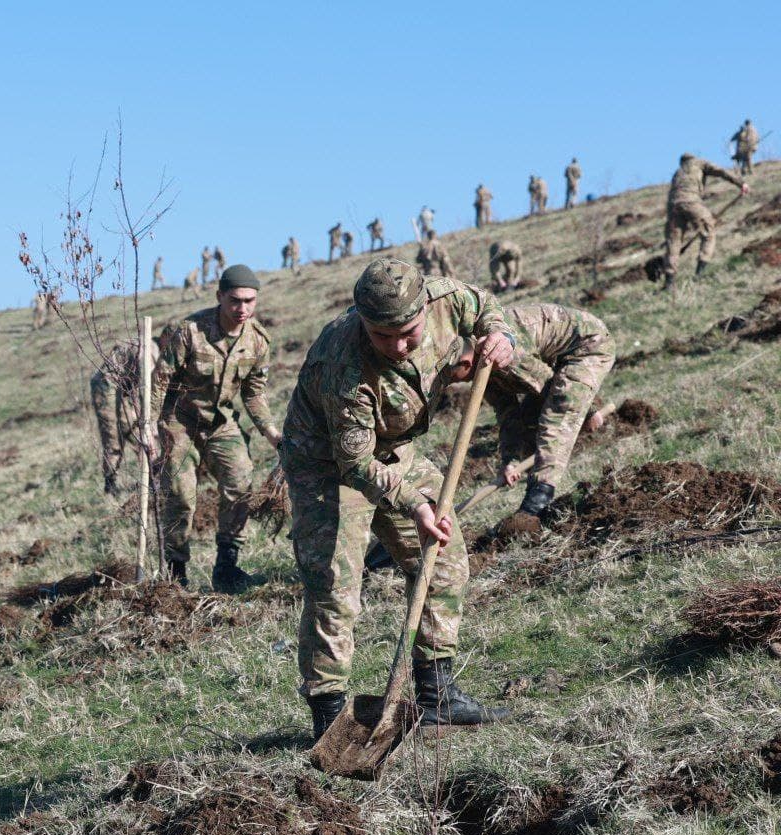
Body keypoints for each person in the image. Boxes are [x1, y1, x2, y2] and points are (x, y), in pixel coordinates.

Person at [279, 258, 518, 740]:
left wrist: (500, 335)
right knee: (335, 586)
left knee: (443, 556)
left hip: (395, 448)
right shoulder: (344, 366)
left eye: (407, 333)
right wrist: (415, 504)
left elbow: (484, 306)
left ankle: (436, 694)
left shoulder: (447, 298)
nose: (397, 346)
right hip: (327, 464)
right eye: (382, 336)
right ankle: (330, 718)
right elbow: (355, 463)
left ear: (424, 307)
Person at [150, 264, 280, 593]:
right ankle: (175, 572)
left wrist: (271, 433)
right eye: (235, 300)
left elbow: (254, 394)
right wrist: (149, 426)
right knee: (180, 494)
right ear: (219, 296)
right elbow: (160, 381)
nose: (242, 308)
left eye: (250, 301)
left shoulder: (258, 341)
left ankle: (227, 568)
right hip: (180, 421)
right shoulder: (189, 332)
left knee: (240, 481)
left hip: (221, 422)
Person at [470, 303, 615, 519]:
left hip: (589, 345)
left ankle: (536, 503)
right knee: (530, 421)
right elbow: (508, 414)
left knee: (556, 416)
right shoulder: (480, 371)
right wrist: (510, 461)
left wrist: (587, 411)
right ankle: (536, 499)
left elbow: (553, 391)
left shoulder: (505, 353)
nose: (459, 380)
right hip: (554, 358)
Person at [662, 152, 749, 289]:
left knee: (674, 242)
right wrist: (741, 183)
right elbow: (721, 171)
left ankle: (669, 282)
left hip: (673, 207)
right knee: (709, 234)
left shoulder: (677, 172)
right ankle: (700, 273)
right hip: (691, 202)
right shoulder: (699, 163)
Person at [90, 338, 160, 495]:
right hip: (106, 385)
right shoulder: (149, 351)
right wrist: (151, 426)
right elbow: (146, 391)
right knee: (113, 434)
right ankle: (110, 484)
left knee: (136, 431)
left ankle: (152, 476)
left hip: (124, 388)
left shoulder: (153, 349)